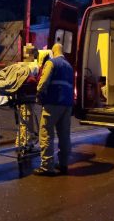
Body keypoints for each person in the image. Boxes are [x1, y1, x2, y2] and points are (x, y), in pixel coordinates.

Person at [34, 43, 73, 176]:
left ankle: (46, 167)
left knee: (46, 133)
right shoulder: (69, 66)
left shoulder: (51, 63)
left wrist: (38, 94)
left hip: (53, 103)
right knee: (64, 135)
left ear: (53, 51)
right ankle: (63, 164)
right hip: (67, 105)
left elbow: (43, 82)